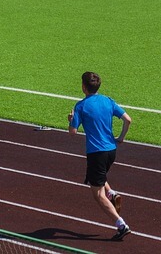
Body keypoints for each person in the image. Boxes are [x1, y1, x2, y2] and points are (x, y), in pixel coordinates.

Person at [68, 71, 132, 240]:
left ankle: (121, 225)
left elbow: (73, 132)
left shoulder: (80, 106)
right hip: (111, 151)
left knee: (97, 194)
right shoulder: (108, 101)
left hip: (96, 152)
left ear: (83, 87)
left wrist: (70, 120)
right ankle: (111, 194)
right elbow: (128, 119)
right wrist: (121, 138)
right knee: (97, 176)